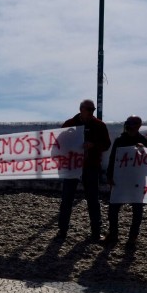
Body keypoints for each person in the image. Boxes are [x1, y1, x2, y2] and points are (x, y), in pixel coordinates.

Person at [57, 99, 111, 240]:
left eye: (92, 109)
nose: (91, 112)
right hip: (72, 166)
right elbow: (59, 144)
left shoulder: (99, 125)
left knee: (93, 199)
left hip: (91, 166)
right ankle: (62, 231)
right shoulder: (69, 124)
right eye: (89, 109)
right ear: (81, 109)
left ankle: (95, 232)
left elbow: (106, 144)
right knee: (67, 199)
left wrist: (93, 145)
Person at [103, 115, 147, 247]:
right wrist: (109, 176)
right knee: (113, 208)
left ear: (139, 126)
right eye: (128, 124)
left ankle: (133, 236)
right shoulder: (119, 140)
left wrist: (144, 151)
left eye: (132, 124)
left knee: (137, 210)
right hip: (120, 180)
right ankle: (113, 233)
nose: (129, 126)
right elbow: (112, 159)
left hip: (138, 182)